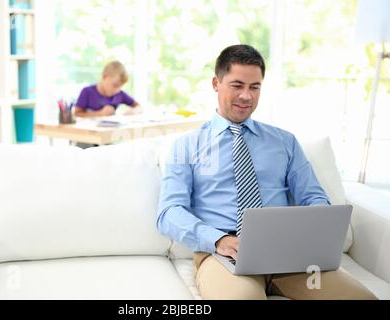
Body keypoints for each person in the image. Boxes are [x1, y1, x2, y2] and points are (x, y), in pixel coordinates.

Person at [156, 44, 376, 300]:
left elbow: (314, 197)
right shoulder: (187, 145)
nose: (246, 96)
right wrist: (217, 240)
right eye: (237, 85)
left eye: (255, 87)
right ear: (216, 83)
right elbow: (169, 212)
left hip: (289, 255)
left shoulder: (284, 142)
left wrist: (313, 234)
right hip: (223, 254)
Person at [75, 61, 141, 118]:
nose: (117, 90)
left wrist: (133, 112)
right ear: (104, 77)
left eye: (120, 87)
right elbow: (76, 114)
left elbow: (138, 106)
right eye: (115, 85)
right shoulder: (87, 92)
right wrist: (100, 113)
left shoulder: (119, 94)